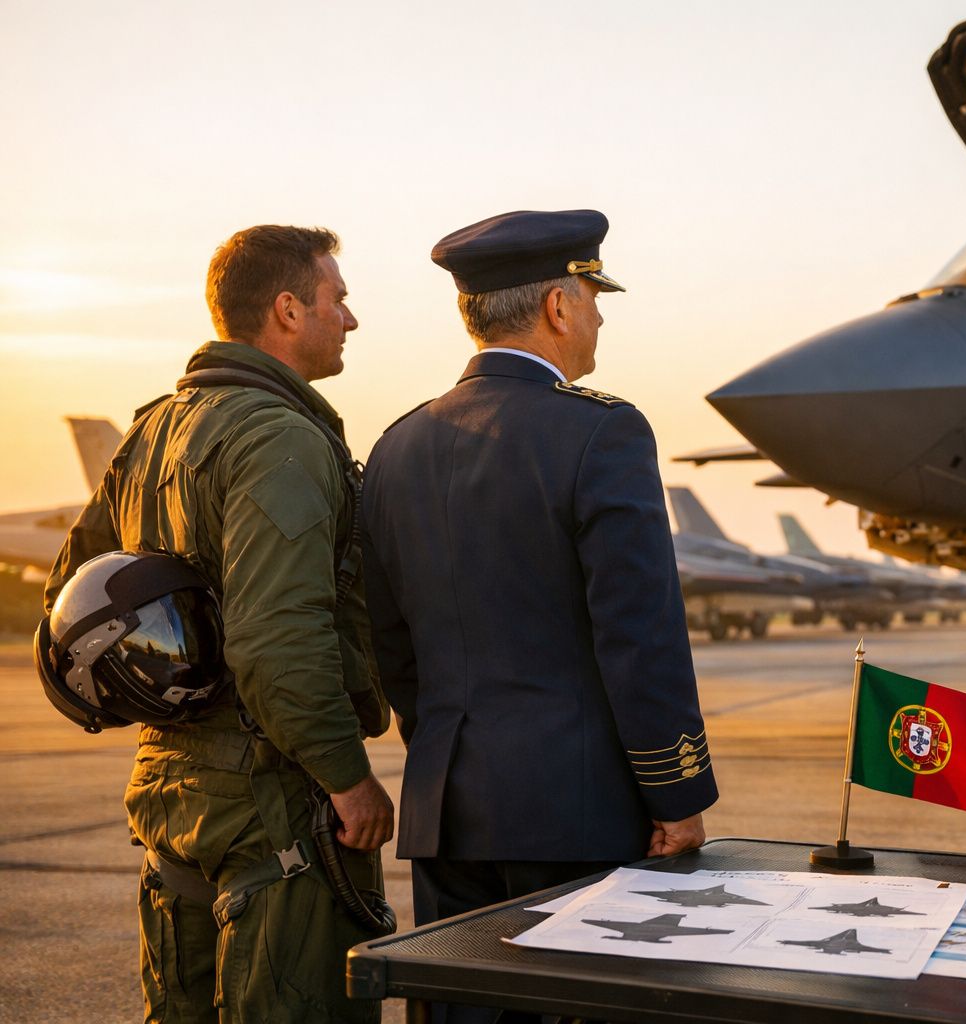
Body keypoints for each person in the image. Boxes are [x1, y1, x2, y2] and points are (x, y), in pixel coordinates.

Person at [362, 209, 718, 1023]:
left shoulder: (395, 446)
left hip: (448, 811)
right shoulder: (602, 433)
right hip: (577, 810)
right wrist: (675, 790)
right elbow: (639, 633)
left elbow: (390, 640)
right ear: (559, 305)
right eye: (593, 295)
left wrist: (452, 747)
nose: (599, 316)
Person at [44, 225, 395, 1024]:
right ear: (287, 311)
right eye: (337, 299)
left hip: (172, 789)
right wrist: (347, 778)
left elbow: (67, 608)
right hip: (273, 801)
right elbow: (278, 639)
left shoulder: (150, 432)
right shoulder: (280, 440)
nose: (350, 319)